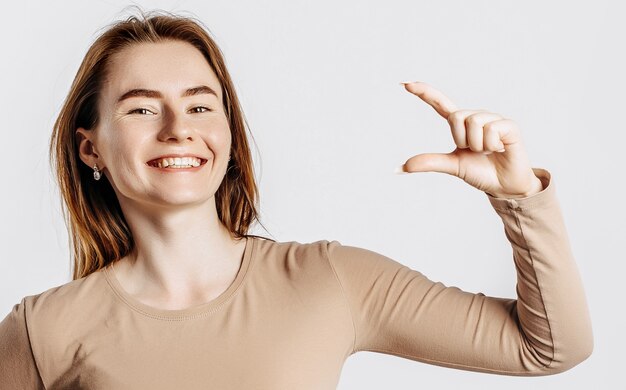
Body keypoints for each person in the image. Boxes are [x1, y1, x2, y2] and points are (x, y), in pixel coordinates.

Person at [0, 9, 593, 389]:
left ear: (227, 137)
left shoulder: (328, 279)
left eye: (202, 105)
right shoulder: (41, 328)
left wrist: (520, 199)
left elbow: (547, 348)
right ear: (90, 149)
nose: (178, 126)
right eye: (141, 108)